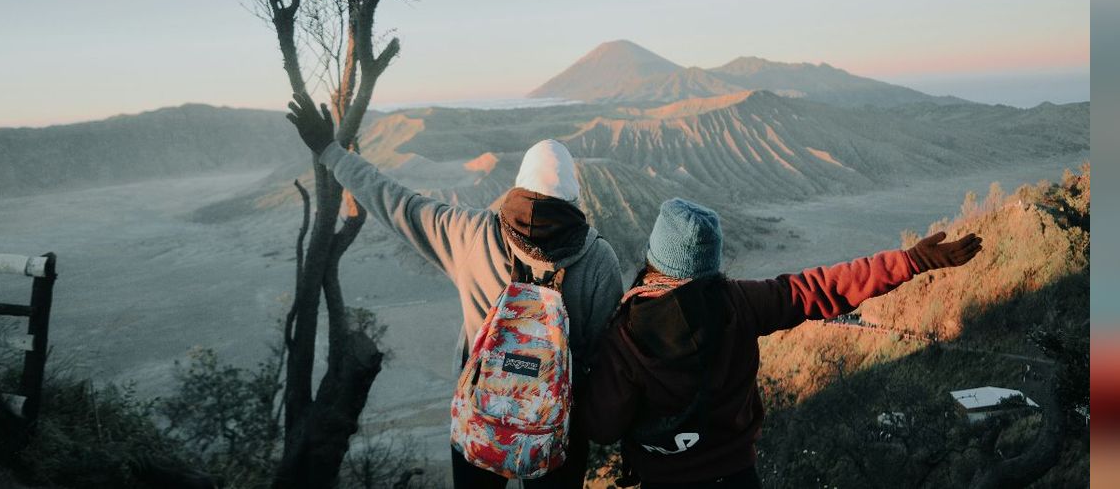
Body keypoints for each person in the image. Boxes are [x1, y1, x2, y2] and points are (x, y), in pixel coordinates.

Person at [286, 93, 624, 488]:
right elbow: (603, 357)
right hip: (556, 425)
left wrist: (329, 149)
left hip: (481, 415)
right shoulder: (599, 260)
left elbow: (393, 200)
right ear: (574, 196)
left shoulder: (470, 233)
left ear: (518, 186)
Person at [581, 197, 983, 489]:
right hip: (739, 477)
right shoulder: (740, 301)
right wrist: (911, 260)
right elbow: (822, 288)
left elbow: (602, 427)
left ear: (655, 257)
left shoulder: (625, 334)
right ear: (709, 264)